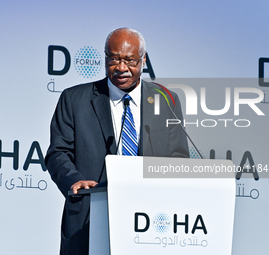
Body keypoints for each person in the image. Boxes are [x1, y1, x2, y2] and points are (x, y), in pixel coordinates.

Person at [45, 27, 189, 255]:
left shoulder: (167, 100)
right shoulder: (74, 100)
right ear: (104, 58)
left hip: (150, 222)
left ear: (143, 60)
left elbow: (179, 157)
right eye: (113, 59)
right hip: (89, 219)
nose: (121, 68)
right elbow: (57, 153)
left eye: (129, 61)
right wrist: (74, 181)